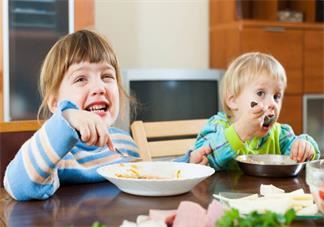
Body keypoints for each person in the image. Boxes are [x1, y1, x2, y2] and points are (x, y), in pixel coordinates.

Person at [4, 30, 140, 200]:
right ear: (55, 103)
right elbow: (17, 186)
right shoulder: (55, 152)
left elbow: (146, 181)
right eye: (81, 79)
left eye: (107, 76)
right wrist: (67, 117)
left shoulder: (125, 143)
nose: (99, 88)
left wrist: (183, 161)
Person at [189, 52, 320, 171]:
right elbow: (204, 159)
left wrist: (304, 147)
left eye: (276, 96)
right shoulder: (216, 127)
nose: (272, 103)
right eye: (260, 93)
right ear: (233, 100)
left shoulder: (279, 135)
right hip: (220, 196)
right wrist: (240, 131)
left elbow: (300, 156)